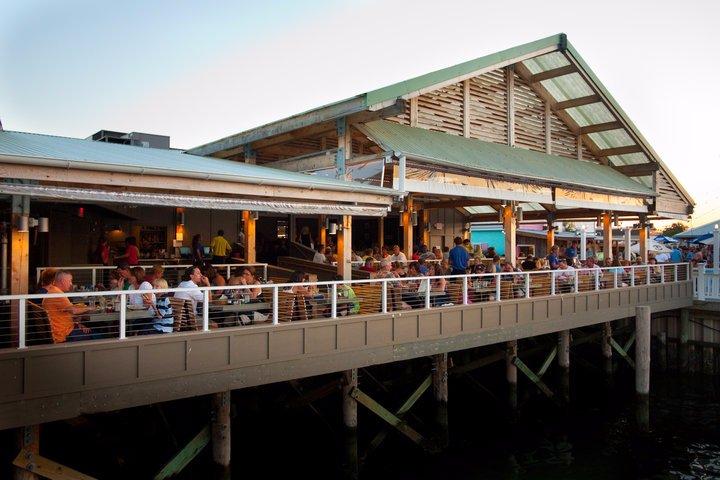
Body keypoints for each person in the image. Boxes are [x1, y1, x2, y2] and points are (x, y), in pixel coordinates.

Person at [42, 271, 95, 343]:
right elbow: (74, 310)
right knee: (94, 335)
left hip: (64, 330)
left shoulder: (53, 291)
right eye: (70, 281)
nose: (71, 284)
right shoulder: (57, 294)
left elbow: (67, 311)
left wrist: (77, 324)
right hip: (63, 335)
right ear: (63, 281)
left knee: (89, 330)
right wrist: (90, 307)